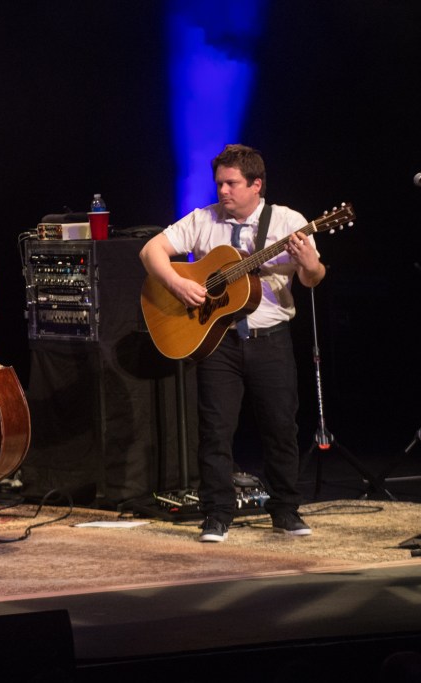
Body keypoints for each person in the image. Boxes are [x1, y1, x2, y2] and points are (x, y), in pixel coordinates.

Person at [139, 144, 325, 543]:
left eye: (232, 184)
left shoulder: (288, 222)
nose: (223, 191)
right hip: (219, 342)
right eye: (219, 183)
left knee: (280, 428)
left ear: (256, 185)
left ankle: (286, 510)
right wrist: (177, 282)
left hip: (270, 339)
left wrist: (309, 263)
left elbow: (312, 279)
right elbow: (150, 250)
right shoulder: (204, 219)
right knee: (215, 430)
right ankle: (216, 514)